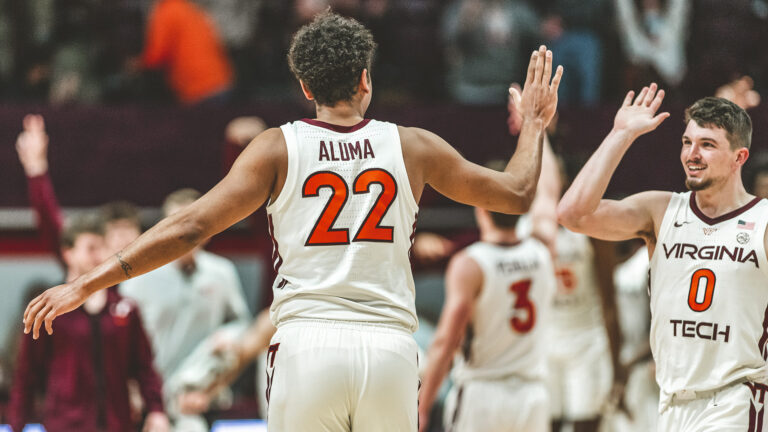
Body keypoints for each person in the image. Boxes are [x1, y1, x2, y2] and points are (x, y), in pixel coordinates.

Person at [24, 12, 562, 431]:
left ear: (305, 88)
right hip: (390, 348)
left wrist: (86, 282)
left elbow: (189, 228)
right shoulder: (412, 145)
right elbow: (516, 193)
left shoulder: (277, 147)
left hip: (309, 344)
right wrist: (534, 126)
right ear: (365, 80)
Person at [558, 84, 768, 431]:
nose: (692, 154)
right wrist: (620, 135)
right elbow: (572, 215)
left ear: (739, 158)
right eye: (687, 142)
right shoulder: (661, 210)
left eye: (707, 145)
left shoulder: (762, 220)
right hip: (672, 401)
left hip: (737, 399)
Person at [417, 93, 561, 431]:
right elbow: (548, 191)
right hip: (532, 395)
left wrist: (422, 407)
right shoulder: (541, 248)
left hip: (483, 395)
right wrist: (535, 129)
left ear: (479, 206)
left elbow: (446, 342)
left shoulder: (472, 263)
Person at [8, 214, 169, 432]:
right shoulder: (47, 309)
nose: (99, 255)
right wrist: (16, 424)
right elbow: (27, 373)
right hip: (65, 424)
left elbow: (144, 367)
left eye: (103, 247)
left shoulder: (126, 307)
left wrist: (157, 410)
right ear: (68, 253)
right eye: (91, 248)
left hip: (117, 424)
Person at [120, 188, 251, 429]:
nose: (184, 232)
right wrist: (131, 391)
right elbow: (121, 341)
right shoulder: (139, 276)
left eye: (193, 223)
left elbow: (242, 325)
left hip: (196, 399)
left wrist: (229, 336)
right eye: (176, 223)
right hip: (149, 401)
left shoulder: (221, 272)